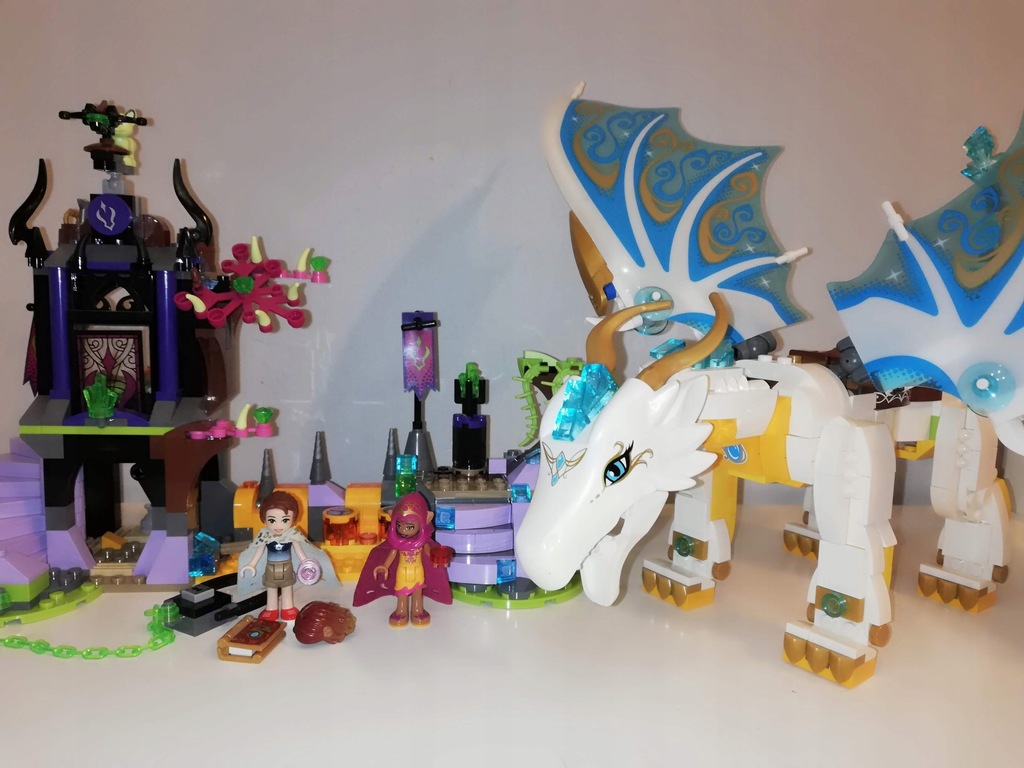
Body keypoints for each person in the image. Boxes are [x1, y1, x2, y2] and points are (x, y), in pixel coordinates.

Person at [353, 491, 453, 627]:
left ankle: (417, 610)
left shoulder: (423, 544)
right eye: (399, 525)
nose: (403, 530)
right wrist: (384, 566)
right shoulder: (397, 544)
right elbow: (392, 554)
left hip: (418, 570)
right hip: (402, 570)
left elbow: (429, 554)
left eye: (410, 526)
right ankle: (401, 611)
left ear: (426, 520)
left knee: (418, 590)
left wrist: (439, 559)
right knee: (401, 591)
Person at [238, 490, 337, 620]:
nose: (278, 525)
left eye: (285, 520)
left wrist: (306, 562)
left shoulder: (293, 535)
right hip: (270, 568)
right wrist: (251, 565)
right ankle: (271, 609)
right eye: (272, 520)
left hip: (287, 567)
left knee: (287, 587)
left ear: (293, 519)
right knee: (271, 588)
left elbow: (299, 551)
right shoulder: (265, 536)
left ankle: (287, 608)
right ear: (264, 519)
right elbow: (259, 550)